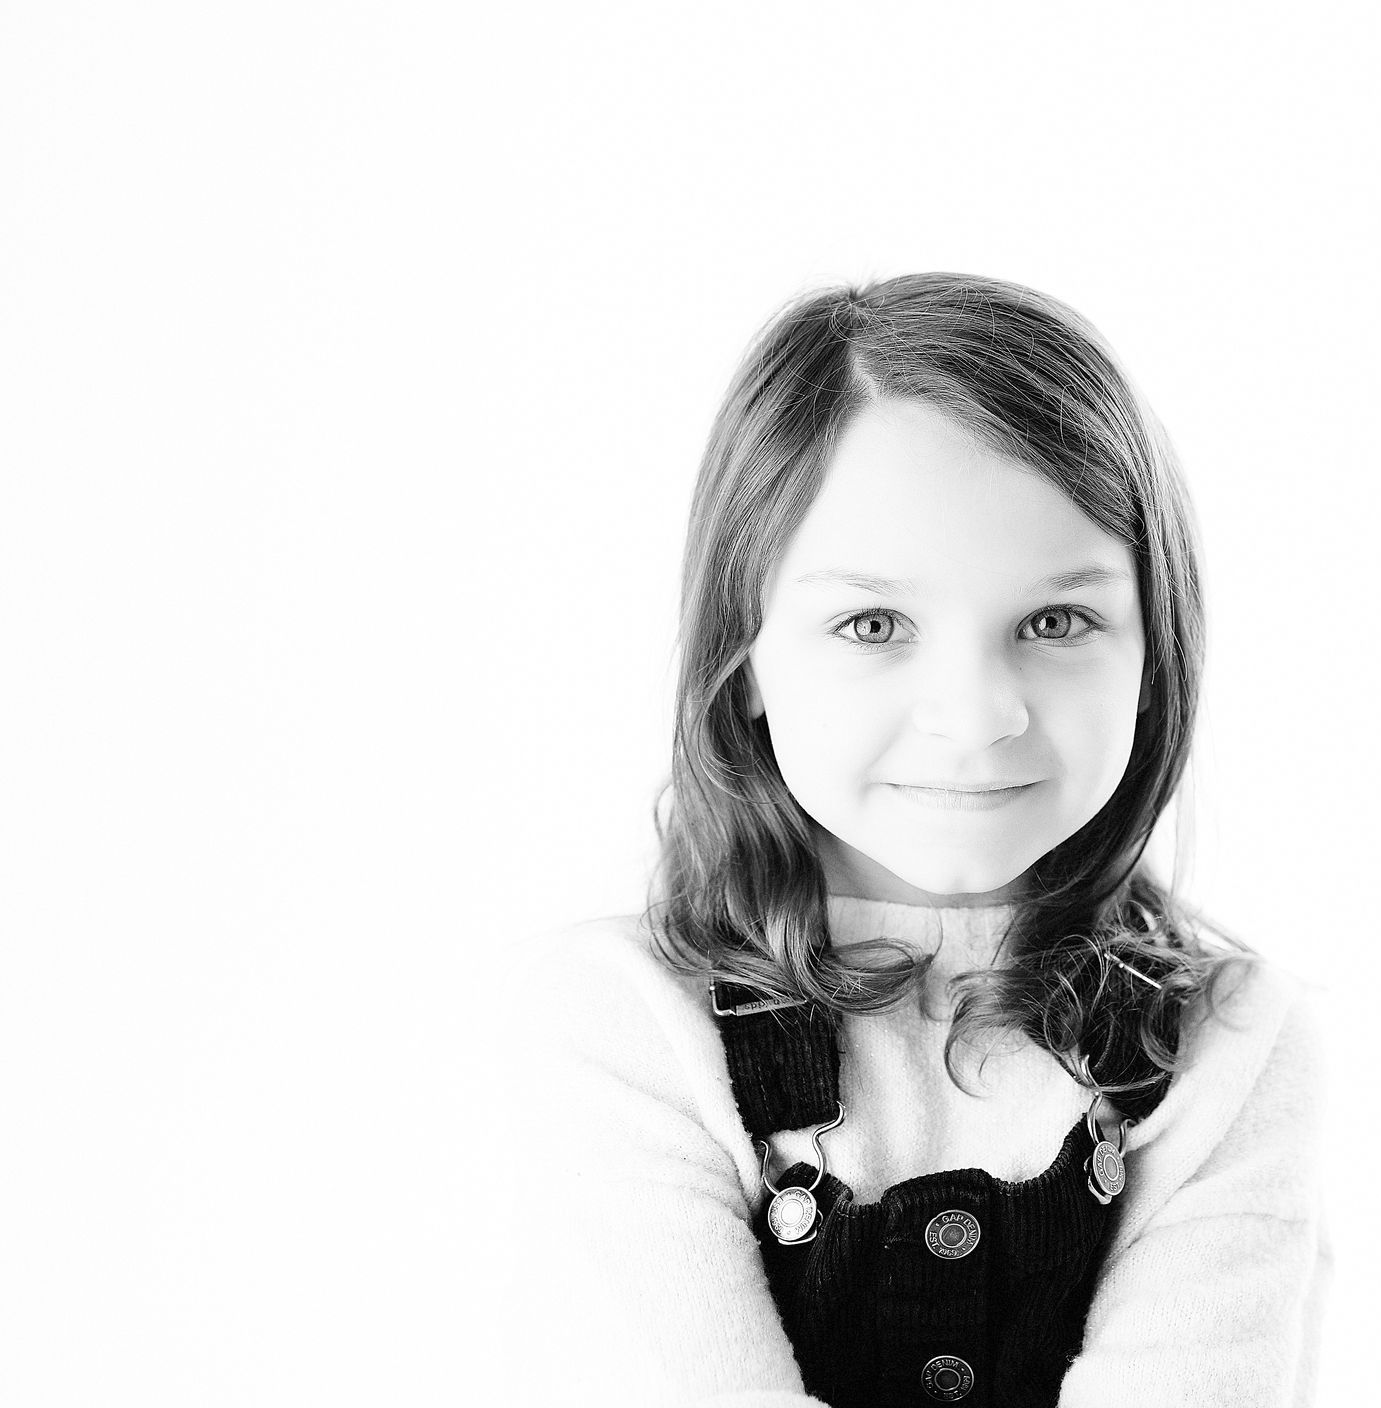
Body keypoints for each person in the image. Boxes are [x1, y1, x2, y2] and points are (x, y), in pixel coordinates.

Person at [505, 272, 1330, 1407]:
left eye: (1056, 621)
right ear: (743, 665)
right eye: (875, 623)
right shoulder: (627, 1022)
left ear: (1153, 659)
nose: (978, 710)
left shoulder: (1228, 1044)